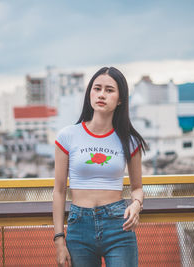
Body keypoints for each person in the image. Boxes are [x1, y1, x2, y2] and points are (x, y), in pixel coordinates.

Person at [53, 67, 147, 267]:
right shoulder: (68, 136)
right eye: (97, 88)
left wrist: (136, 205)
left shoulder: (129, 140)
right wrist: (59, 239)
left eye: (110, 90)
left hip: (118, 224)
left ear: (120, 99)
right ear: (90, 94)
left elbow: (137, 188)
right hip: (79, 227)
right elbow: (59, 190)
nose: (102, 94)